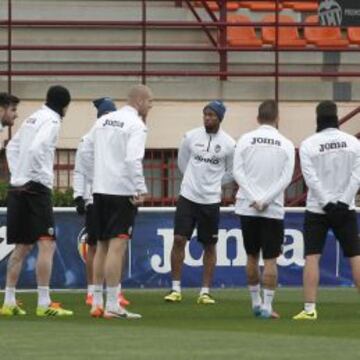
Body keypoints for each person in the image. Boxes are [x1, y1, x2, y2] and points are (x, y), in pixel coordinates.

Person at [80, 84, 153, 319]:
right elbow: (133, 160)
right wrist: (140, 188)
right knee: (117, 247)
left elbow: (86, 152)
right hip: (122, 192)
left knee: (101, 246)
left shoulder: (103, 121)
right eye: (150, 102)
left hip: (99, 191)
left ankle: (96, 302)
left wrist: (95, 179)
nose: (150, 107)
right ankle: (113, 304)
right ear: (140, 102)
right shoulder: (136, 125)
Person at [1, 85, 73, 317]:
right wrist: (35, 177)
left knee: (22, 246)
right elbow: (36, 149)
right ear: (64, 105)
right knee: (47, 243)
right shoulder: (52, 121)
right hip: (36, 188)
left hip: (18, 187)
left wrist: (18, 175)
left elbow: (12, 146)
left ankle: (9, 301)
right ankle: (44, 303)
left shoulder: (33, 117)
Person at [293, 101, 360, 320]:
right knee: (355, 255)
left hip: (317, 209)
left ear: (317, 118)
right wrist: (343, 201)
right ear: (336, 117)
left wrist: (328, 203)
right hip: (346, 208)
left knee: (312, 256)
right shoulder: (353, 143)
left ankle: (310, 309)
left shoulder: (308, 144)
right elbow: (357, 175)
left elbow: (310, 178)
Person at [164, 100, 235, 305]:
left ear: (220, 118)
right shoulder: (190, 137)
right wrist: (192, 181)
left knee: (209, 245)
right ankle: (175, 288)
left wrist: (213, 184)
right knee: (179, 239)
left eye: (212, 115)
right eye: (205, 114)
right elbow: (182, 162)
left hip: (211, 201)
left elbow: (231, 171)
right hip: (188, 197)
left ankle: (205, 291)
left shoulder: (229, 144)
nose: (207, 118)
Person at [233, 100, 295, 319]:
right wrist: (266, 199)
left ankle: (255, 302)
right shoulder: (286, 143)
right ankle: (267, 307)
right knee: (270, 259)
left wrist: (253, 196)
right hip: (272, 209)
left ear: (258, 118)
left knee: (251, 256)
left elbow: (237, 172)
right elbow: (286, 178)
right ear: (277, 118)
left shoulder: (244, 140)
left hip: (248, 207)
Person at [73, 97, 130, 308]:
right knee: (95, 246)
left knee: (117, 245)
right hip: (95, 198)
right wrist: (79, 196)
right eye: (105, 115)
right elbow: (79, 170)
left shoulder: (120, 137)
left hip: (116, 194)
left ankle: (116, 290)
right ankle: (92, 291)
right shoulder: (88, 139)